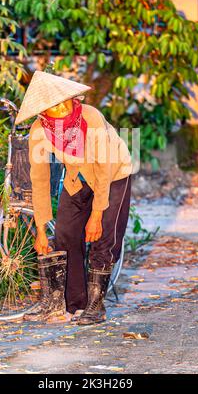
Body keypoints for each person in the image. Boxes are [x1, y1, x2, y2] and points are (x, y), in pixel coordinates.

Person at [15, 70, 133, 325]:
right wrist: (40, 229)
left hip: (113, 174)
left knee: (102, 239)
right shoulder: (39, 130)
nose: (65, 107)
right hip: (77, 177)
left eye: (66, 100)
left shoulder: (90, 117)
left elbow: (103, 168)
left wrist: (97, 214)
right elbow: (40, 180)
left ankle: (95, 306)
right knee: (65, 235)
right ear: (43, 110)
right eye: (56, 105)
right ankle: (74, 304)